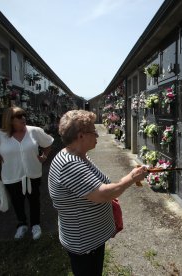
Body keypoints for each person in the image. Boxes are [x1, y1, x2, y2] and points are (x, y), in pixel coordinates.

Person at [48, 110, 147, 276]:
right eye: (93, 132)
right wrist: (131, 177)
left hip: (90, 240)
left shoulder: (79, 156)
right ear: (81, 136)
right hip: (84, 244)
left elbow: (98, 185)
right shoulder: (69, 164)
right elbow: (102, 194)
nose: (97, 135)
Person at [0, 106, 53, 240]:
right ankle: (21, 224)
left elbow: (48, 143)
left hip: (32, 173)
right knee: (17, 202)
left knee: (34, 200)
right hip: (12, 175)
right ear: (9, 120)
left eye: (24, 115)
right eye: (19, 116)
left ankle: (35, 225)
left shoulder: (34, 131)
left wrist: (44, 156)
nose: (23, 118)